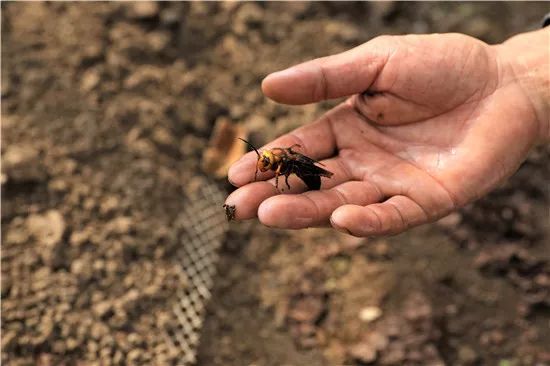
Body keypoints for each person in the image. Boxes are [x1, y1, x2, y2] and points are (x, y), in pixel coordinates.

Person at [225, 27, 549, 237]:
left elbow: (289, 165)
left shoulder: (289, 163)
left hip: (307, 170)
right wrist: (515, 74)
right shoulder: (281, 160)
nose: (265, 162)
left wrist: (515, 77)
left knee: (296, 179)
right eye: (266, 162)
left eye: (267, 161)